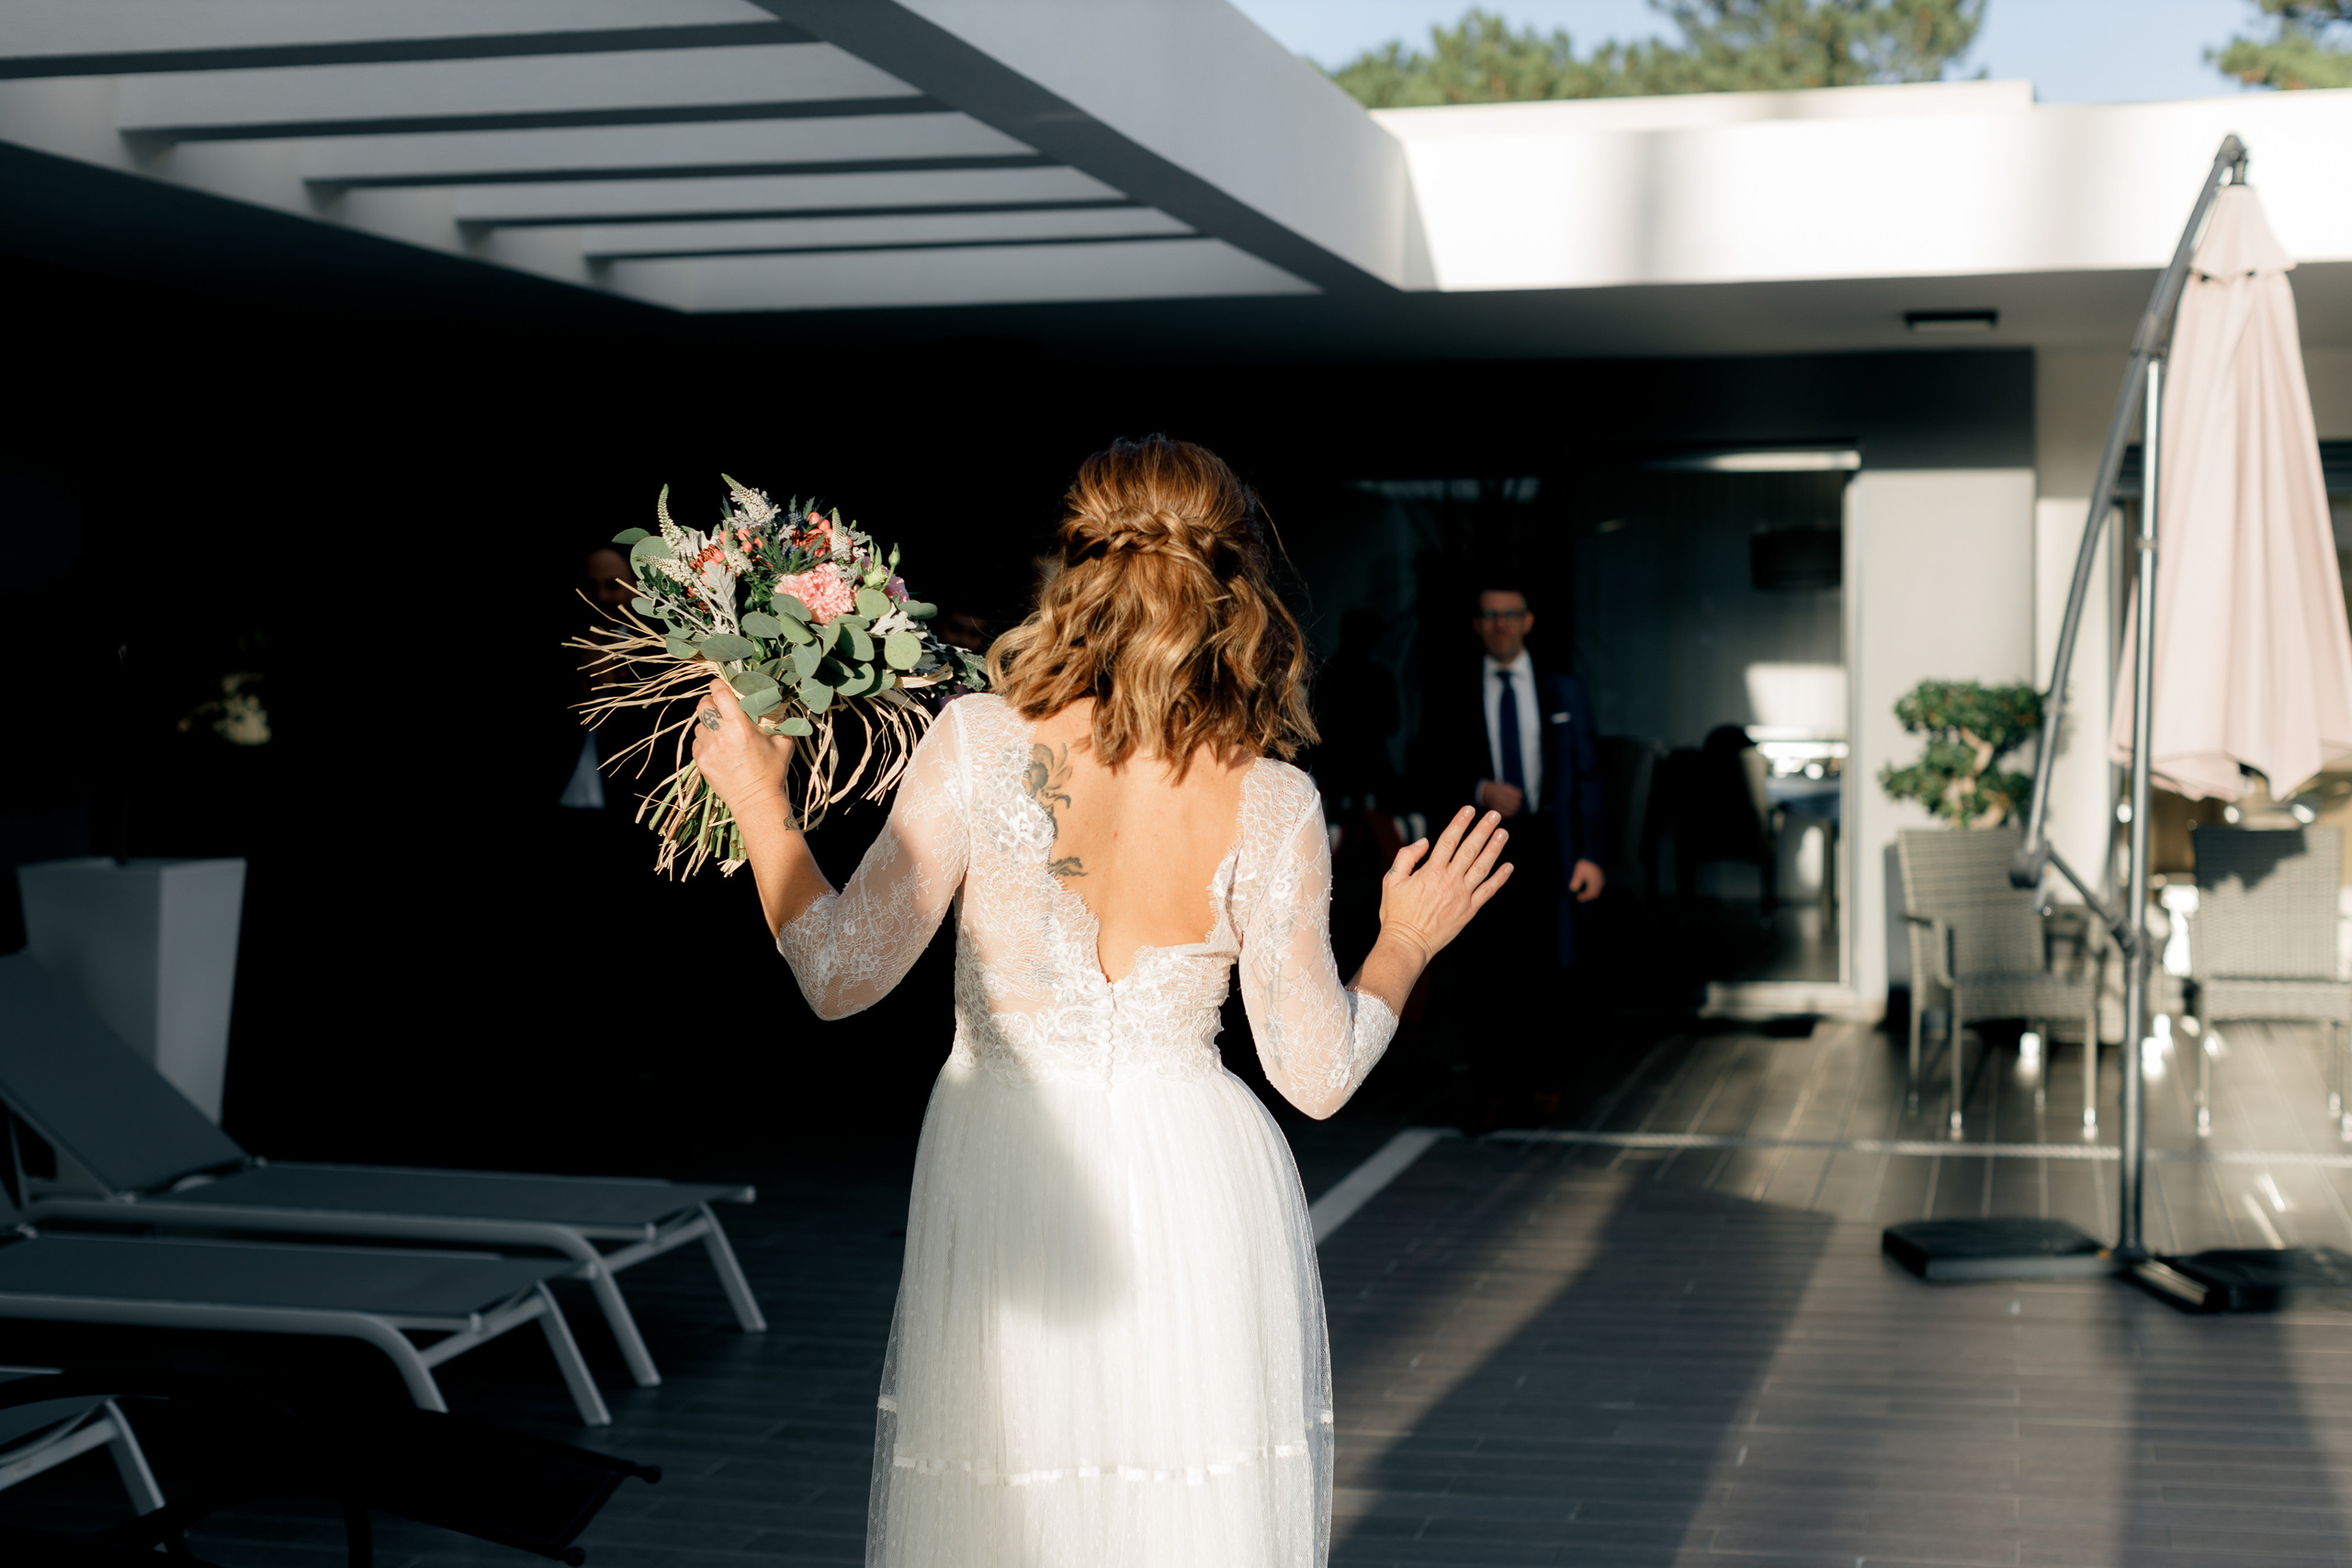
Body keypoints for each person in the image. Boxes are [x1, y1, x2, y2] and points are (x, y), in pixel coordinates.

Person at [687, 435, 1510, 1567]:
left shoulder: (975, 744)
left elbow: (836, 977)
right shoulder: (1272, 800)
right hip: (1199, 1185)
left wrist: (759, 806)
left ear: (1070, 568)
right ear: (1237, 585)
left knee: (1010, 1499)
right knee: (1183, 1510)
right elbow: (1317, 1080)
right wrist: (1406, 942)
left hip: (1013, 1167)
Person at [1407, 585, 1605, 1117]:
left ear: (1528, 621)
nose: (1500, 625)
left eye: (1510, 615)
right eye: (1490, 616)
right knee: (1484, 971)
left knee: (1545, 969)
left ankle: (1543, 1085)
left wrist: (1591, 855)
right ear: (1477, 625)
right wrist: (1478, 789)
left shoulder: (1561, 689)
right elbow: (1425, 767)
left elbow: (1587, 772)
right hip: (1480, 847)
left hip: (1548, 846)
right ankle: (1492, 1091)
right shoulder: (1453, 689)